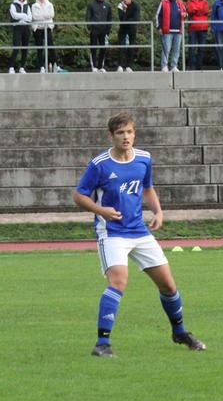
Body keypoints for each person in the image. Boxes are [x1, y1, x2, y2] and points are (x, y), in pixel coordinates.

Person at [72, 112, 206, 358]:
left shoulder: (144, 159)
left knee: (168, 285)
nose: (126, 137)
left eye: (130, 132)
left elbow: (147, 188)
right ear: (111, 135)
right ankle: (102, 343)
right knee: (118, 281)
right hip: (112, 233)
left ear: (135, 134)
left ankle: (179, 332)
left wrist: (157, 211)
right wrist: (100, 210)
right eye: (120, 133)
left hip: (139, 231)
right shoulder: (99, 164)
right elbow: (79, 195)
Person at [155, 0, 187, 72]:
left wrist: (185, 15)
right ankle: (164, 66)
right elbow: (158, 15)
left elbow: (185, 13)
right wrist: (159, 27)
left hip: (178, 31)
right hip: (167, 31)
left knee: (176, 50)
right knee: (166, 49)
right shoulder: (164, 2)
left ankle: (174, 66)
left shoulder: (180, 3)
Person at [31, 0, 62, 74]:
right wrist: (45, 16)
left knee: (51, 47)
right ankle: (42, 67)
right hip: (38, 29)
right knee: (40, 48)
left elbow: (51, 14)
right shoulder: (34, 5)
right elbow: (35, 16)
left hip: (47, 28)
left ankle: (55, 65)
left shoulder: (49, 4)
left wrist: (42, 15)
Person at [86, 0, 112, 73]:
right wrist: (90, 27)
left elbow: (109, 18)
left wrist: (108, 29)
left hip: (104, 30)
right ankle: (94, 66)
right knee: (93, 48)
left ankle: (101, 66)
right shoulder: (91, 4)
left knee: (103, 48)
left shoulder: (107, 5)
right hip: (94, 30)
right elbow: (88, 17)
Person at [185, 0, 209, 71]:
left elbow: (206, 10)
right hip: (193, 28)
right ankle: (192, 66)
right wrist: (199, 10)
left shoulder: (204, 1)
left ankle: (199, 66)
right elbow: (190, 10)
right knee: (192, 48)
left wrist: (196, 10)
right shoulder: (189, 2)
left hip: (203, 28)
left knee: (201, 48)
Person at [8, 0, 31, 74]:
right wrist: (24, 16)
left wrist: (21, 18)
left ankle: (22, 67)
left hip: (25, 28)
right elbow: (14, 15)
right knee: (16, 47)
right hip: (17, 28)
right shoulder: (13, 5)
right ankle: (11, 67)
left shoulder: (27, 6)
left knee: (25, 48)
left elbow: (30, 18)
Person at [116, 0, 140, 73]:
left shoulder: (135, 5)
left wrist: (127, 19)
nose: (125, 0)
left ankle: (129, 66)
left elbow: (136, 18)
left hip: (132, 29)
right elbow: (122, 19)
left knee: (131, 47)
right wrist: (125, 10)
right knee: (121, 47)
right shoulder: (120, 5)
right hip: (123, 29)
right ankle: (120, 65)